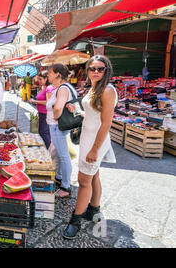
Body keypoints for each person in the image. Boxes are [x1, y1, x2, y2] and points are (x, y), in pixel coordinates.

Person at [63, 55, 117, 239]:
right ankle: (94, 210)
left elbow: (106, 123)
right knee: (94, 176)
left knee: (84, 181)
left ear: (106, 70)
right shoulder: (95, 88)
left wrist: (94, 149)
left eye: (100, 68)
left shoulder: (108, 90)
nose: (95, 71)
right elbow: (93, 115)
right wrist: (77, 111)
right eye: (92, 68)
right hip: (88, 138)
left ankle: (75, 220)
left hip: (96, 141)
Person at [45, 63, 78, 198]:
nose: (48, 75)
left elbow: (58, 108)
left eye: (50, 72)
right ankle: (59, 177)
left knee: (64, 156)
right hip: (58, 126)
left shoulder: (63, 89)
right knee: (59, 154)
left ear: (58, 74)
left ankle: (65, 186)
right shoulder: (64, 87)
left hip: (57, 126)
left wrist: (56, 118)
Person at [28, 70, 55, 149]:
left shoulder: (49, 88)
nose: (38, 81)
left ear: (46, 79)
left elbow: (48, 102)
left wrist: (34, 101)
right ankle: (44, 149)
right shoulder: (44, 88)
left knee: (44, 133)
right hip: (41, 113)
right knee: (42, 132)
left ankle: (48, 150)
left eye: (40, 79)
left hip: (45, 114)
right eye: (38, 79)